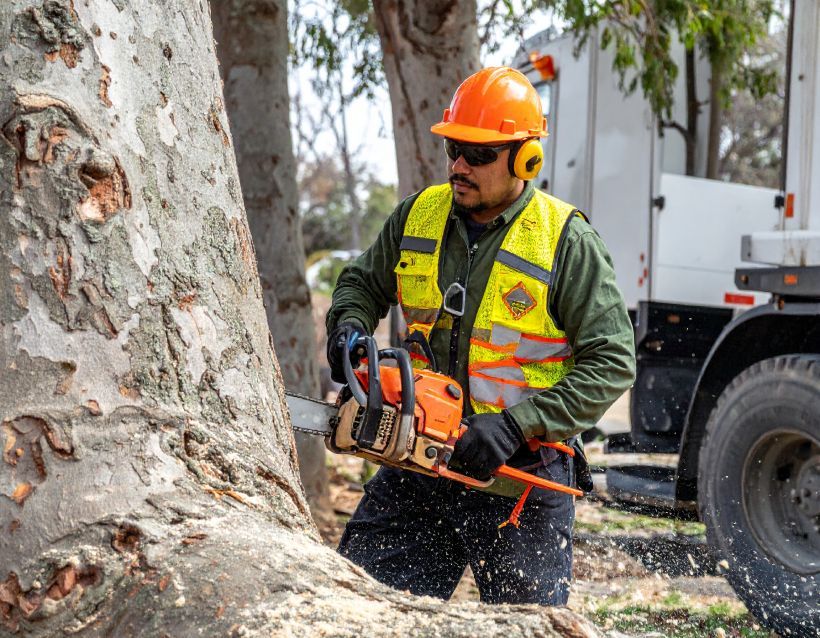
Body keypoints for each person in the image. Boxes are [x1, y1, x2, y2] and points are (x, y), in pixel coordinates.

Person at [325, 67, 635, 605]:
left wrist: (517, 425)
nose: (459, 165)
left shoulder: (565, 241)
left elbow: (612, 360)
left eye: (479, 154)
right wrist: (349, 327)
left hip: (522, 477)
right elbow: (360, 282)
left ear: (525, 158)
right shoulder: (418, 216)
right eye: (454, 150)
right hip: (419, 460)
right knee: (363, 610)